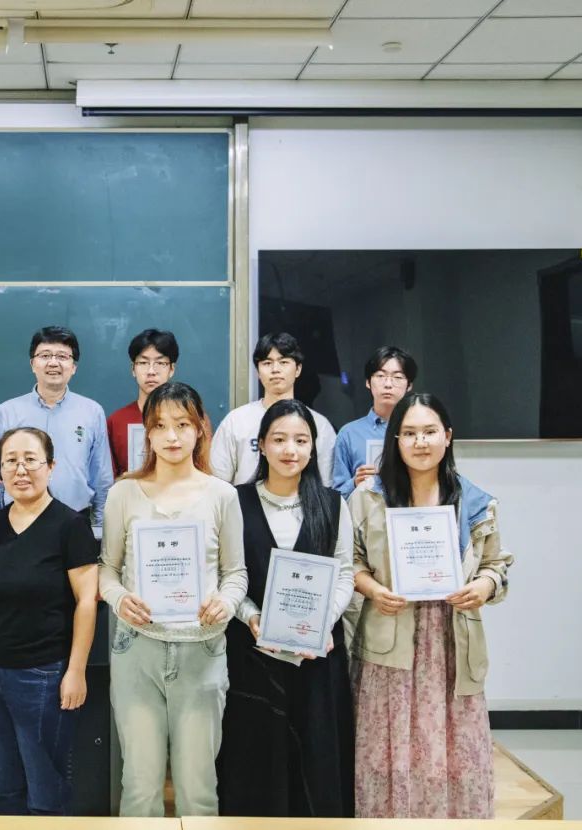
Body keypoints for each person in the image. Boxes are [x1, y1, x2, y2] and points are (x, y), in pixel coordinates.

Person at [350, 392, 513, 818]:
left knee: (455, 754)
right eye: (409, 433)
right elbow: (350, 562)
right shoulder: (368, 498)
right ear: (395, 440)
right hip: (390, 643)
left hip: (451, 645)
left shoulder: (476, 502)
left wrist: (484, 586)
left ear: (448, 436)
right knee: (387, 752)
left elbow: (497, 565)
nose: (420, 442)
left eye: (429, 431)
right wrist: (373, 589)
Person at [100, 381, 247, 817]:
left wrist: (226, 602)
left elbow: (235, 573)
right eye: (160, 425)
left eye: (182, 424)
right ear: (146, 432)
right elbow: (106, 569)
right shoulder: (123, 492)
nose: (171, 436)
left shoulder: (222, 495)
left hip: (201, 650)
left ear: (200, 429)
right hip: (137, 649)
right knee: (139, 787)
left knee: (198, 791)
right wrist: (119, 598)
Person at [216, 399, 355, 817]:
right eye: (278, 439)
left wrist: (323, 623)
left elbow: (345, 574)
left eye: (300, 440)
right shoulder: (235, 501)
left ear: (313, 447)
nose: (289, 450)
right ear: (261, 445)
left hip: (318, 656)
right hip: (251, 653)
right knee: (255, 760)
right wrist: (250, 616)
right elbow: (225, 573)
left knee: (316, 759)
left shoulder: (333, 504)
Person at [0, 426, 99, 815]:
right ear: (0, 471)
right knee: (1, 784)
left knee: (46, 791)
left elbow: (86, 601)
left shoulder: (70, 525)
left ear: (50, 467)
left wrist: (76, 671)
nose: (20, 470)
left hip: (43, 675)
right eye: (10, 461)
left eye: (30, 460)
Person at [0, 326, 113, 525]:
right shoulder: (7, 412)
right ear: (32, 364)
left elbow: (102, 477)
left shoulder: (92, 412)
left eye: (62, 356)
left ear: (74, 367)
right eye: (45, 355)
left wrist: (101, 527)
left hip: (75, 520)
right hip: (17, 519)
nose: (53, 362)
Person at [210, 332, 336, 487]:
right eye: (267, 363)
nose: (275, 369)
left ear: (298, 369)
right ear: (258, 371)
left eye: (283, 362)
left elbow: (325, 484)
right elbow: (218, 484)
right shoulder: (236, 421)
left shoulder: (320, 425)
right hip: (245, 502)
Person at [332, 346, 417, 498]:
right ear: (368, 382)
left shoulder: (420, 432)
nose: (388, 384)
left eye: (398, 377)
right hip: (365, 511)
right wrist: (355, 482)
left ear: (409, 385)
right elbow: (335, 496)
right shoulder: (349, 434)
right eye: (380, 375)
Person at [107, 328, 178, 478]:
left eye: (160, 363)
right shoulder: (116, 421)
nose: (151, 371)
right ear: (133, 369)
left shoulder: (190, 418)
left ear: (172, 369)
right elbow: (108, 478)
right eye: (143, 362)